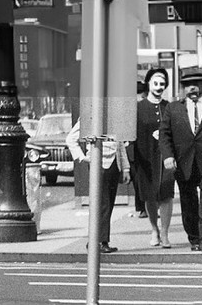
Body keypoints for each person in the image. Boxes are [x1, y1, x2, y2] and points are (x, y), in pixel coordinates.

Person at [67, 115, 130, 253]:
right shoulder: (89, 115)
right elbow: (71, 138)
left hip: (114, 164)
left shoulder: (115, 115)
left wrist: (125, 168)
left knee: (108, 204)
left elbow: (120, 144)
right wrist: (82, 157)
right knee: (103, 204)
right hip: (99, 164)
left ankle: (98, 240)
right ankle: (100, 241)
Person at [162, 67, 202, 251]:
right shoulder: (173, 108)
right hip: (183, 163)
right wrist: (168, 156)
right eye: (188, 85)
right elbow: (165, 135)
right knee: (188, 203)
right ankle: (194, 238)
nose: (192, 88)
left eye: (196, 84)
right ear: (183, 88)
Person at [134, 67, 177, 246]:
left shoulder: (170, 107)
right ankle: (154, 229)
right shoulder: (138, 107)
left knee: (166, 194)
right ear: (149, 84)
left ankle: (165, 233)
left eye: (162, 84)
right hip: (145, 157)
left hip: (166, 157)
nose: (159, 87)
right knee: (150, 196)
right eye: (155, 83)